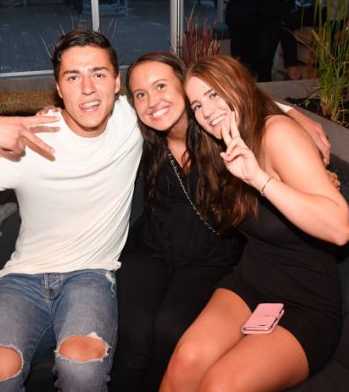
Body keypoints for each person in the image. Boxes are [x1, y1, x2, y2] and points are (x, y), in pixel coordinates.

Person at [0, 29, 143, 391]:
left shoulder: (132, 120)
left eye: (98, 74)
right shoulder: (30, 144)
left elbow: (181, 99)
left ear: (117, 83)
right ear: (59, 88)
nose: (87, 88)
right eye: (73, 77)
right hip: (23, 280)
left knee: (82, 368)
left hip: (90, 275)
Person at [108, 52, 335, 392]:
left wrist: (291, 118)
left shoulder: (218, 137)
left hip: (215, 258)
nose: (152, 100)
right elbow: (90, 110)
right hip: (162, 250)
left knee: (172, 329)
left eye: (161, 86)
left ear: (183, 89)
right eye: (140, 94)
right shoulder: (140, 131)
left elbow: (237, 99)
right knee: (134, 329)